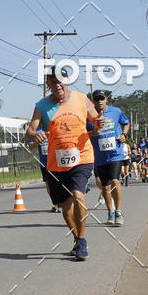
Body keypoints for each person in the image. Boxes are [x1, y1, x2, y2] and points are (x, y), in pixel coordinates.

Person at [26, 72, 101, 260]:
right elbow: (30, 131)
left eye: (60, 80)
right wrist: (35, 135)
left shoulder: (81, 99)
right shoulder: (42, 105)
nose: (57, 84)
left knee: (78, 196)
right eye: (52, 81)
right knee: (66, 209)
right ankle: (77, 237)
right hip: (57, 162)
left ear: (66, 81)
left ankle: (82, 240)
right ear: (48, 84)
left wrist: (99, 125)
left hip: (82, 157)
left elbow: (96, 120)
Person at [88, 90, 130, 226]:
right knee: (105, 188)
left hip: (115, 153)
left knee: (115, 180)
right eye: (96, 99)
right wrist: (94, 132)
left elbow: (126, 122)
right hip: (99, 156)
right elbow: (85, 133)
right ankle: (110, 211)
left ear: (106, 99)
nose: (99, 101)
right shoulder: (88, 116)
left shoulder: (116, 111)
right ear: (93, 101)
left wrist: (124, 134)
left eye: (102, 98)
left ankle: (119, 211)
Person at [27, 127, 58, 212]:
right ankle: (55, 204)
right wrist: (38, 142)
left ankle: (61, 202)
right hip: (44, 163)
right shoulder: (37, 131)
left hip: (56, 162)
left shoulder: (52, 127)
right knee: (49, 185)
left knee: (57, 183)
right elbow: (30, 146)